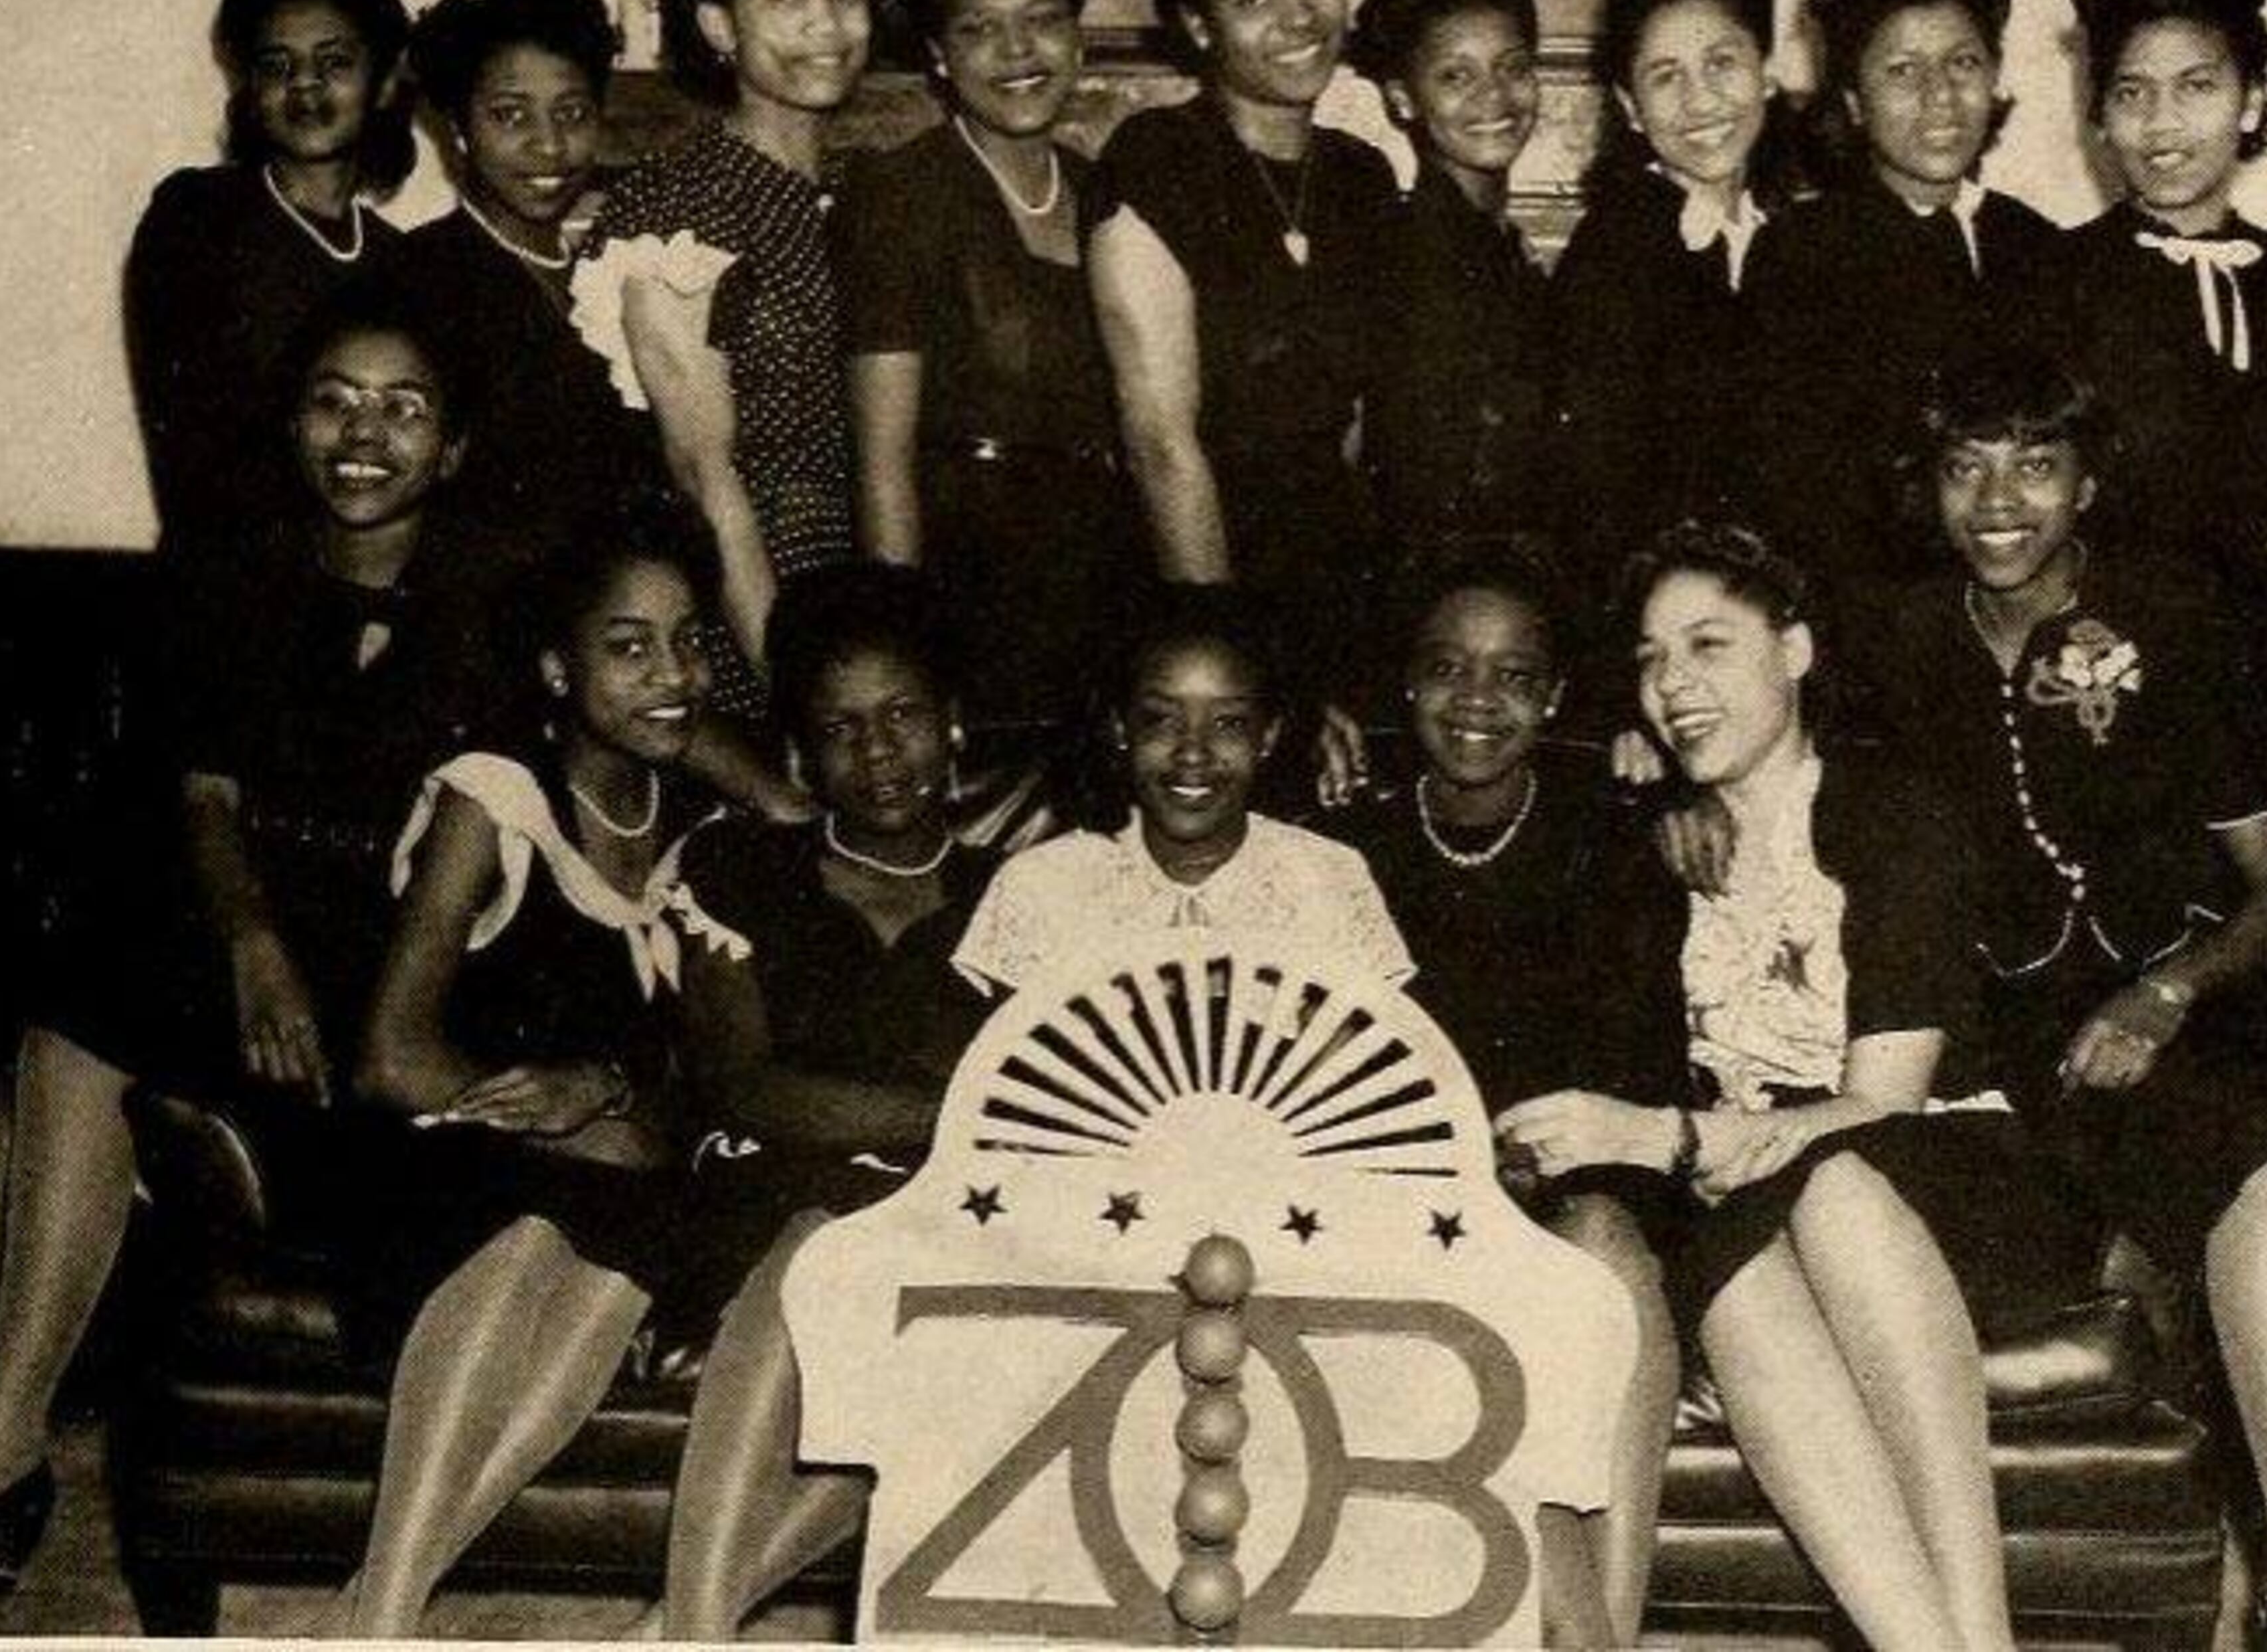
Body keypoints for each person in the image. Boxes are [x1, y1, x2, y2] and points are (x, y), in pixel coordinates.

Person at [0, 284, 491, 1623]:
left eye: (406, 408)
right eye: (336, 398)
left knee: (68, 1041)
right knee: (53, 1052)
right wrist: (250, 939)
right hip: (248, 951)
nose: (366, 432)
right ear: (292, 423)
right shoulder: (238, 575)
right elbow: (207, 793)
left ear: (452, 447)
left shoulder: (491, 606)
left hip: (387, 974)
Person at [1868, 352, 2267, 1652]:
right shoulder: (1904, 643)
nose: (1999, 501)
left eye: (2035, 465)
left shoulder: (2171, 618)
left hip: (2214, 975)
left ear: (2088, 485)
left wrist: (2168, 989)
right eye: (1967, 469)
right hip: (2037, 1028)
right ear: (1933, 491)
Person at [1498, 521, 2094, 1652]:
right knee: (1727, 1260)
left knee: (1829, 1181)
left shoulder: (1893, 812)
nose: (1674, 685)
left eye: (1709, 645)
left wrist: (1670, 1132)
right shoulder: (1656, 844)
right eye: (1650, 658)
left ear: (1799, 650)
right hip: (1764, 1217)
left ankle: (1980, 1631)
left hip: (1953, 1184)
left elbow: (1886, 1101)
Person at [335, 513, 719, 1637]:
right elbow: (391, 1054)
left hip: (611, 1184)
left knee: (619, 1265)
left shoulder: (699, 818)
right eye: (629, 644)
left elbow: (690, 1085)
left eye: (690, 642)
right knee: (557, 1238)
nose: (672, 673)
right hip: (444, 1161)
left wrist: (599, 1096)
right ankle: (385, 1617)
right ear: (558, 665)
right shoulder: (493, 794)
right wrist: (554, 1111)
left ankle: (373, 1610)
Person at [1320, 552, 1682, 1643]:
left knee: (1601, 1241)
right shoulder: (1345, 847)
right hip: (1402, 1195)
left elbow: (1632, 1070)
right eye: (1447, 667)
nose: (1478, 699)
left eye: (1514, 674)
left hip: (1571, 1177)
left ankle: (1600, 1630)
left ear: (1558, 696)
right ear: (1405, 684)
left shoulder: (1614, 837)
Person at [653, 564, 1001, 1640]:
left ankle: (681, 1626)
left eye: (903, 716)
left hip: (945, 1225)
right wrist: (956, 1113)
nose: (880, 750)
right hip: (768, 1201)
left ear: (954, 728)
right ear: (801, 755)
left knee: (939, 1355)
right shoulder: (739, 866)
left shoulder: (1029, 895)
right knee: (819, 1237)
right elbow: (747, 1088)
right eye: (842, 728)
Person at [2056, 0, 2267, 883]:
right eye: (2131, 92)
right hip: (2104, 709)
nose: (2162, 125)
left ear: (2254, 96)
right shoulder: (2053, 277)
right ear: (2100, 117)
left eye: (2197, 86)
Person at [1087, 0, 1400, 729]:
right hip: (1203, 595)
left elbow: (1353, 428)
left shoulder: (1362, 176)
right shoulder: (1156, 161)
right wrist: (1248, 679)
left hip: (1339, 584)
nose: (1298, 18)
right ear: (1196, 23)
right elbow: (1162, 445)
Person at [841, 0, 1129, 755]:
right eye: (978, 28)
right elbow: (882, 463)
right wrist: (908, 669)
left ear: (1077, 32)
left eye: (1041, 19)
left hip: (1101, 585)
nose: (1017, 51)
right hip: (966, 592)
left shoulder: (1102, 190)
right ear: (937, 52)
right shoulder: (901, 194)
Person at [590, 0, 886, 717]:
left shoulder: (868, 190)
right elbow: (702, 471)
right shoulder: (677, 208)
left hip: (871, 590)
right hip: (749, 614)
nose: (825, 26)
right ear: (720, 25)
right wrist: (793, 688)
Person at [1741, 0, 2062, 602]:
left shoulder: (2039, 245)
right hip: (1868, 618)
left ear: (1995, 78)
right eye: (1902, 71)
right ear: (1854, 103)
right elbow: (1799, 490)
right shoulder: (1802, 251)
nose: (1940, 96)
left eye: (1963, 64)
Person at [954, 583, 1413, 996]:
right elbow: (1006, 1070)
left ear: (1268, 736)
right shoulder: (1042, 887)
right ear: (1119, 727)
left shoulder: (1328, 879)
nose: (1193, 752)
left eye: (1229, 723)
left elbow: (1365, 1067)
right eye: (1161, 719)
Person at [125, 0, 416, 555]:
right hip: (230, 586)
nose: (304, 84)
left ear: (384, 83)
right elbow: (200, 452)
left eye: (334, 62)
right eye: (276, 66)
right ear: (251, 91)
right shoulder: (198, 217)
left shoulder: (403, 260)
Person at [397, 0, 658, 575]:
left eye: (572, 113)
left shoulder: (610, 270)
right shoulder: (419, 279)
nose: (548, 145)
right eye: (510, 115)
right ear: (458, 129)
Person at [1552, 0, 1793, 576]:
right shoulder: (1614, 256)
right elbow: (1597, 502)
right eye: (1666, 76)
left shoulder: (1792, 236)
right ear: (1630, 107)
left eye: (1722, 62)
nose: (1701, 99)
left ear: (1765, 70)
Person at [1347, 0, 1559, 575]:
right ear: (1402, 98)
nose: (1494, 96)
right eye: (1456, 76)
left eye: (1513, 66)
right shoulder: (1412, 257)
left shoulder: (1495, 246)